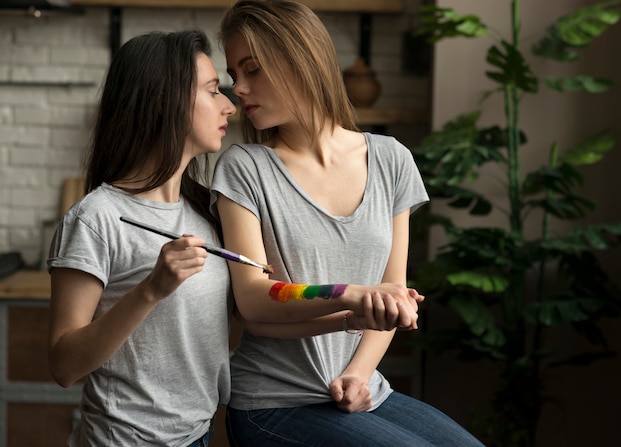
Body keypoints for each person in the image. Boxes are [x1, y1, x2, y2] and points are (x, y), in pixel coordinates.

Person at [210, 0, 487, 446]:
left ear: (301, 60)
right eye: (233, 75)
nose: (237, 89)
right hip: (273, 404)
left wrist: (359, 375)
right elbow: (255, 302)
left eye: (252, 70)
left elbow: (393, 292)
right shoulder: (245, 168)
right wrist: (353, 297)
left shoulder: (391, 160)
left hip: (362, 392)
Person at [47, 30, 237, 446]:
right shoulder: (95, 218)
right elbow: (64, 366)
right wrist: (151, 289)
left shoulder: (207, 210)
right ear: (164, 102)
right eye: (212, 90)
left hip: (199, 435)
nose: (229, 105)